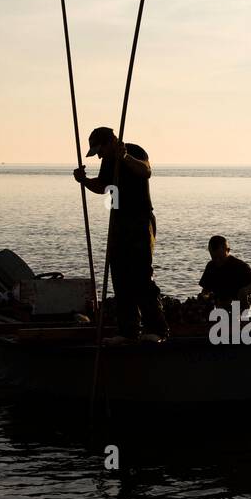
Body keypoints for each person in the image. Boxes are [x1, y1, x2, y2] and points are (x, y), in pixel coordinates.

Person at [74, 126, 168, 344]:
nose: (98, 155)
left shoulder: (134, 150)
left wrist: (124, 157)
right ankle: (128, 331)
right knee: (120, 275)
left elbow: (146, 171)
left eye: (99, 150)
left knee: (141, 275)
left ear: (109, 142)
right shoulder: (107, 161)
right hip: (119, 221)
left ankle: (158, 330)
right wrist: (84, 180)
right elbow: (104, 187)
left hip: (141, 220)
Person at [199, 236, 251, 310]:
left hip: (237, 308)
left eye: (220, 258)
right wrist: (204, 297)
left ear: (228, 250)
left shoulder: (239, 266)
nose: (217, 261)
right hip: (219, 308)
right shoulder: (211, 266)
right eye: (214, 258)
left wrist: (245, 290)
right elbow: (206, 290)